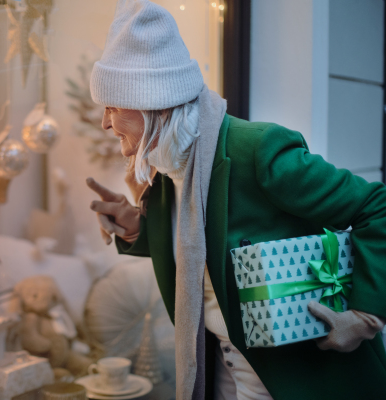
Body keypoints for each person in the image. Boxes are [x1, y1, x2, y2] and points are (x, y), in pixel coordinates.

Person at [86, 1, 386, 399]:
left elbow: (377, 207)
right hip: (223, 370)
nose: (105, 123)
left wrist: (366, 316)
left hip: (296, 378)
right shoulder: (166, 169)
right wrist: (137, 227)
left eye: (113, 106)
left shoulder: (257, 151)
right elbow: (204, 250)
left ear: (152, 102)